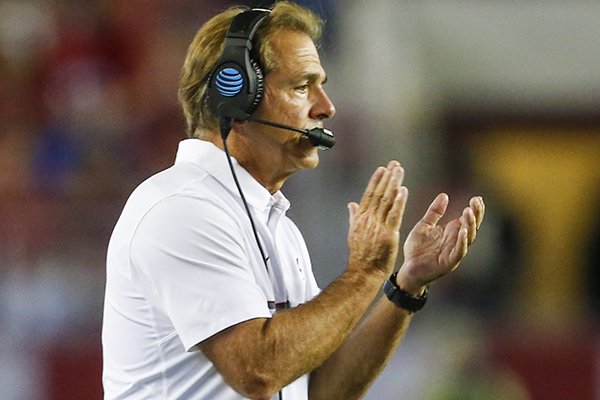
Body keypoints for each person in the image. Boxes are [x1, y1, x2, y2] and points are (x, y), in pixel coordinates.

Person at [101, 2, 485, 399]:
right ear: (236, 96)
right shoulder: (181, 210)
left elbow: (318, 391)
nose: (326, 107)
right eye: (302, 87)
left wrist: (405, 287)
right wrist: (363, 273)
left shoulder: (277, 226)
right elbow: (258, 372)